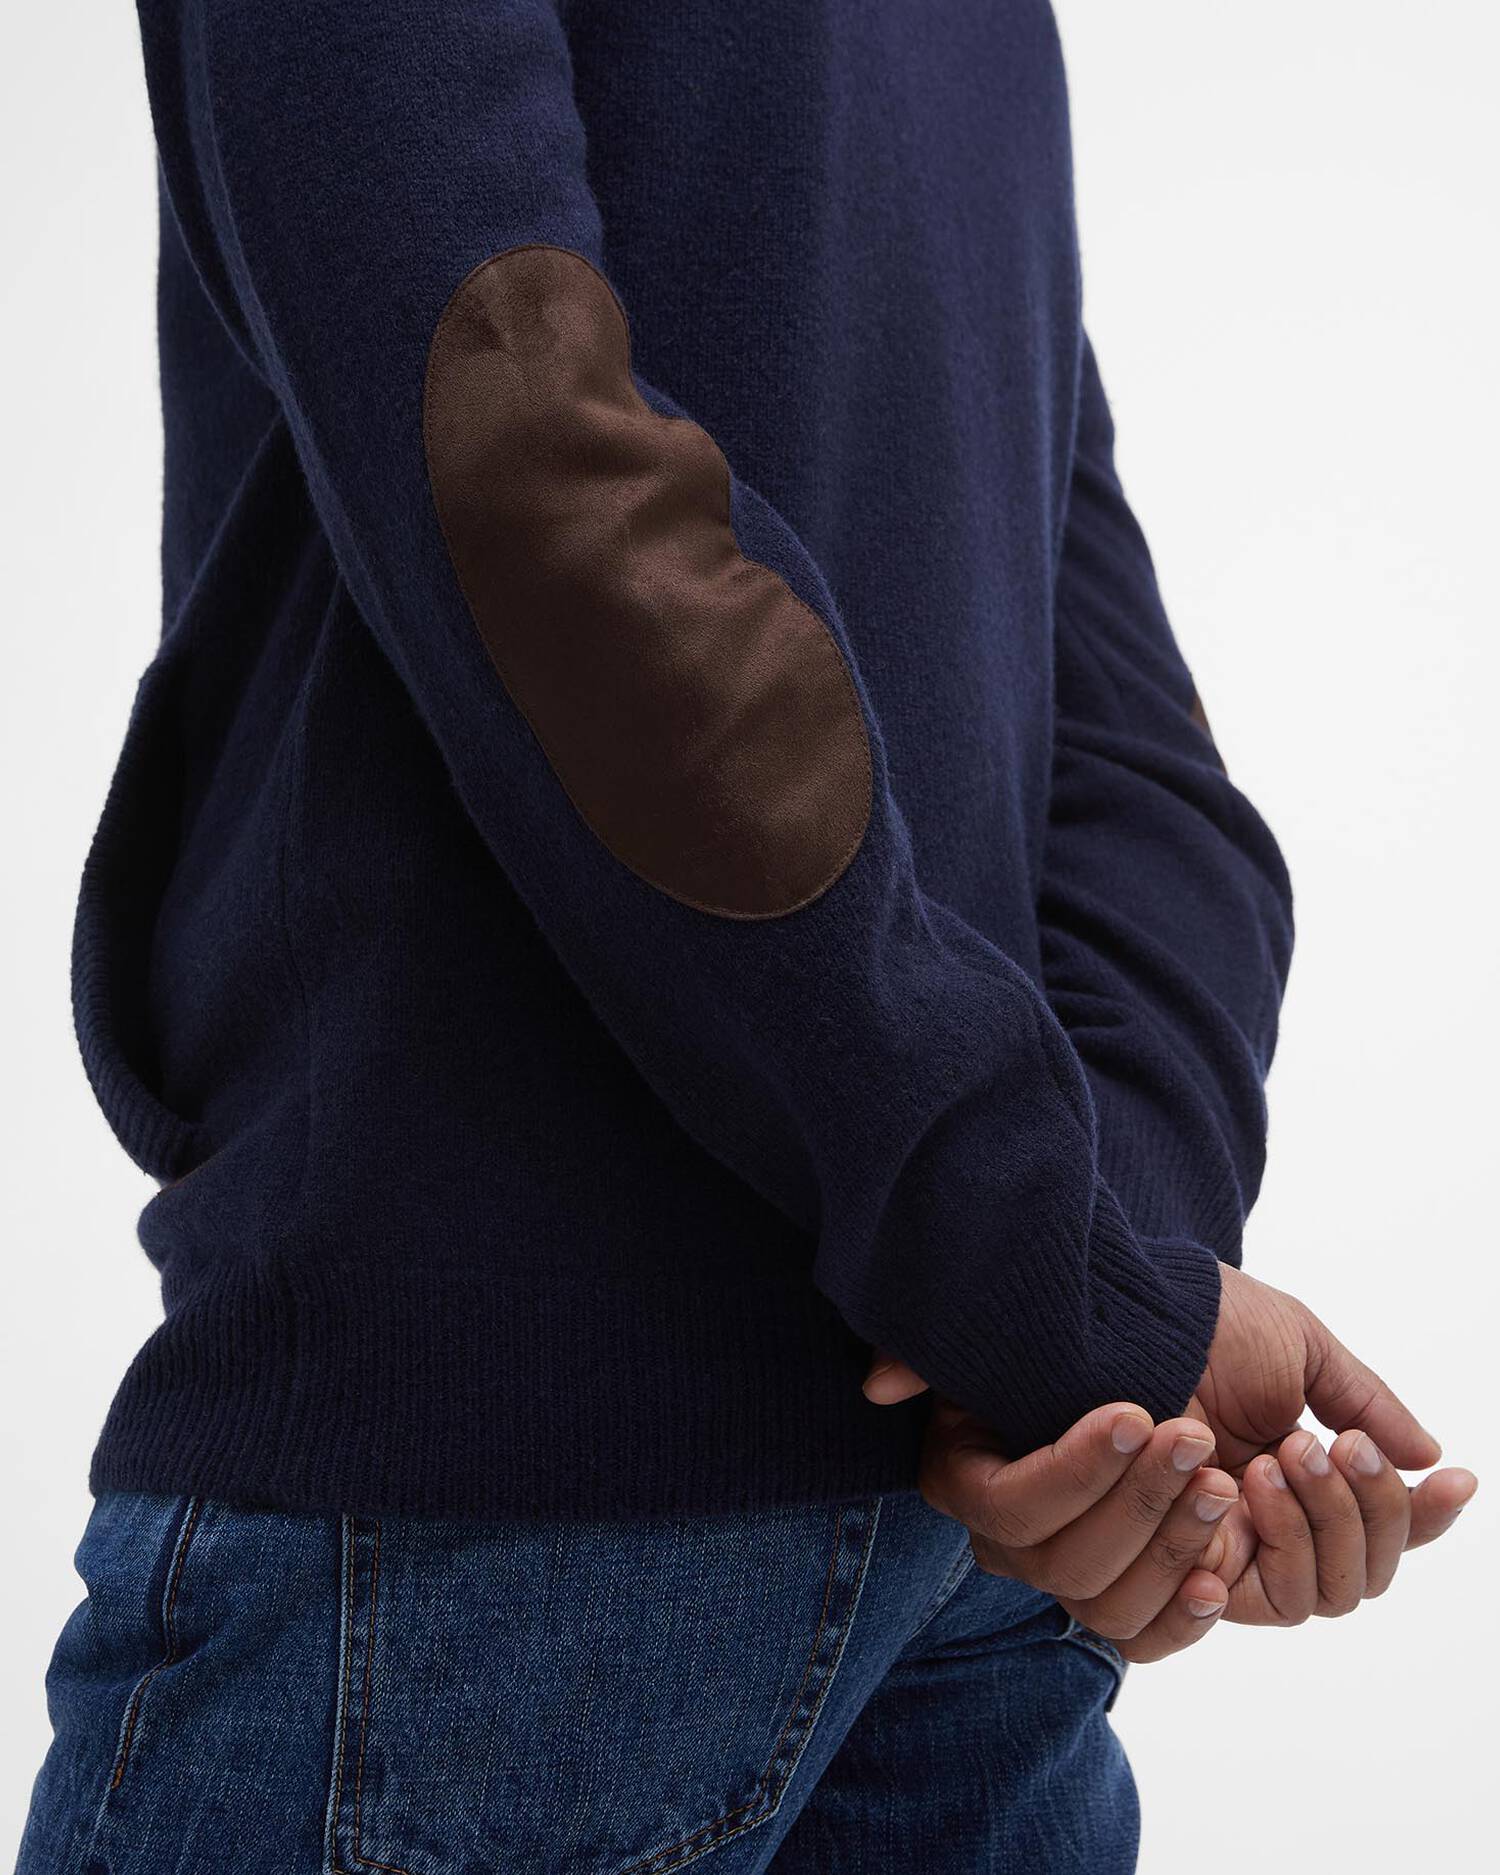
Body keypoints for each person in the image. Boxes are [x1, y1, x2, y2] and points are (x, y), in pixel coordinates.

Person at [15, 2, 1474, 1870]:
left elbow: (538, 483)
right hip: (941, 1549)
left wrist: (1092, 1333)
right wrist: (1085, 1303)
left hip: (497, 1527)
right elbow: (1117, 718)